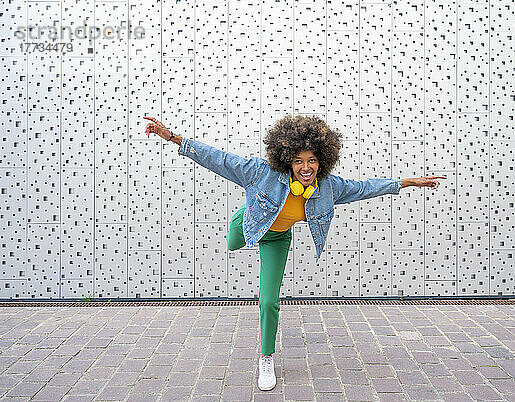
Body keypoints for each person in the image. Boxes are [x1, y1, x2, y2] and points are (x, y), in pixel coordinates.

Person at [143, 114, 445, 391]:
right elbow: (218, 159)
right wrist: (172, 137)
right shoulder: (260, 172)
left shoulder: (329, 187)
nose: (305, 167)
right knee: (232, 243)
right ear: (286, 158)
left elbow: (364, 187)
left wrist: (407, 182)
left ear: (322, 160)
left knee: (269, 300)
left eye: (312, 160)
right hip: (249, 222)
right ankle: (241, 225)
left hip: (277, 239)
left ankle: (266, 358)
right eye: (298, 160)